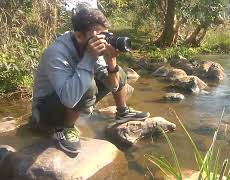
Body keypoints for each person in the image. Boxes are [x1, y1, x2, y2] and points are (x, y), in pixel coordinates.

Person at [29, 8, 150, 154]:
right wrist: (89, 57)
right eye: (100, 36)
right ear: (79, 36)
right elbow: (69, 99)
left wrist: (111, 61)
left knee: (120, 73)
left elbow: (113, 85)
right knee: (88, 87)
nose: (103, 40)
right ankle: (66, 129)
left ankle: (122, 112)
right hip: (45, 111)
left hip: (67, 98)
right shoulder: (56, 53)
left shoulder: (89, 43)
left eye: (106, 35)